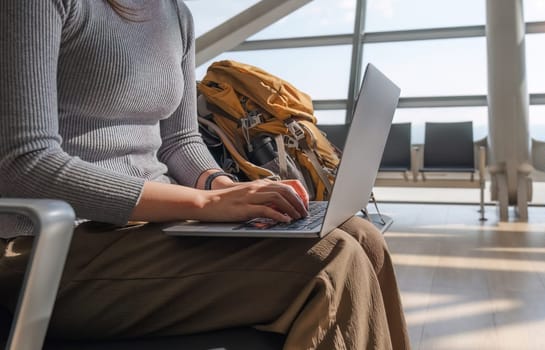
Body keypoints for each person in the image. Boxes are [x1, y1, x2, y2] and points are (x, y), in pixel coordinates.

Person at [0, 1, 410, 349]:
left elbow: (179, 141)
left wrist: (229, 189)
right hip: (44, 247)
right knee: (331, 260)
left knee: (363, 236)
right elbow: (24, 162)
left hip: (146, 228)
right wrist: (204, 203)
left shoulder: (175, 14)